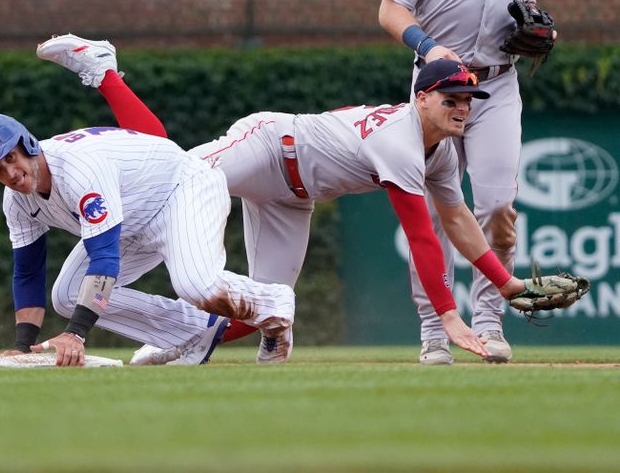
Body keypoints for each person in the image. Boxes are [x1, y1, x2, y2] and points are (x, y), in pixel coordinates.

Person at [35, 34, 537, 364]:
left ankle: (183, 341)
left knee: (261, 306)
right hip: (269, 147)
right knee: (167, 169)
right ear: (421, 97)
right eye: (452, 99)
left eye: (469, 101)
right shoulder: (400, 139)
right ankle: (104, 71)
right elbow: (422, 234)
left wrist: (507, 282)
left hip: (293, 199)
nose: (463, 110)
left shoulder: (440, 152)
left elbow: (457, 219)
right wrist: (450, 315)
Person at [0, 86, 297, 367]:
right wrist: (22, 346)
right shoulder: (17, 201)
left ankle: (273, 303)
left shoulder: (78, 170)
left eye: (11, 157)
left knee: (197, 286)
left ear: (28, 143)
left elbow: (104, 258)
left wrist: (75, 333)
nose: (9, 173)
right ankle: (198, 332)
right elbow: (27, 272)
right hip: (131, 215)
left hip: (180, 190)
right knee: (66, 296)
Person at [378, 0, 549, 364]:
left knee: (496, 205)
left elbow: (524, 3)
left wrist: (540, 26)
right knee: (436, 212)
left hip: (497, 84)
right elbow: (390, 9)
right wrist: (427, 46)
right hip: (437, 87)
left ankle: (489, 321)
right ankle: (435, 328)